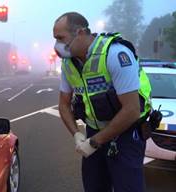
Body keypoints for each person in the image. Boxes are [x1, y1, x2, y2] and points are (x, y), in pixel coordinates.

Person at [53, 12, 152, 192]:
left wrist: (94, 142)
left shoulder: (115, 55)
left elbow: (131, 110)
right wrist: (76, 134)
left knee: (127, 187)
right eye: (55, 39)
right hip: (94, 130)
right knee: (94, 186)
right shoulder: (68, 64)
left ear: (81, 33)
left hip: (127, 133)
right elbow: (63, 104)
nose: (57, 45)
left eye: (61, 38)